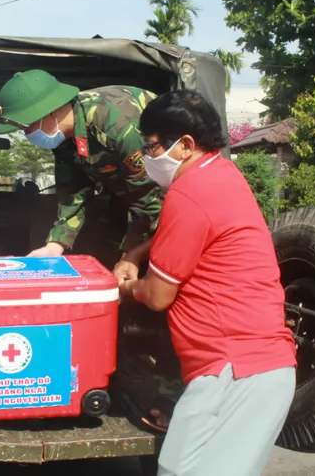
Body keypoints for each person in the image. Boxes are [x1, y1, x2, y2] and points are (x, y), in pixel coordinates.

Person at [118, 89, 296, 476]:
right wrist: (137, 253)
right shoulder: (221, 174)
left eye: (151, 148)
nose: (147, 159)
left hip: (234, 371)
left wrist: (122, 288)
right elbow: (198, 229)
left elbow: (158, 296)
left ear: (184, 145)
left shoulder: (188, 192)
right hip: (252, 368)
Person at [0, 69, 162, 259]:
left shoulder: (116, 126)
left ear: (50, 111)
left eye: (27, 126)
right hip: (127, 195)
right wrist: (54, 246)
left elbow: (149, 198)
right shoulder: (62, 137)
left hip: (164, 200)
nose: (26, 135)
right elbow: (73, 191)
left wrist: (131, 255)